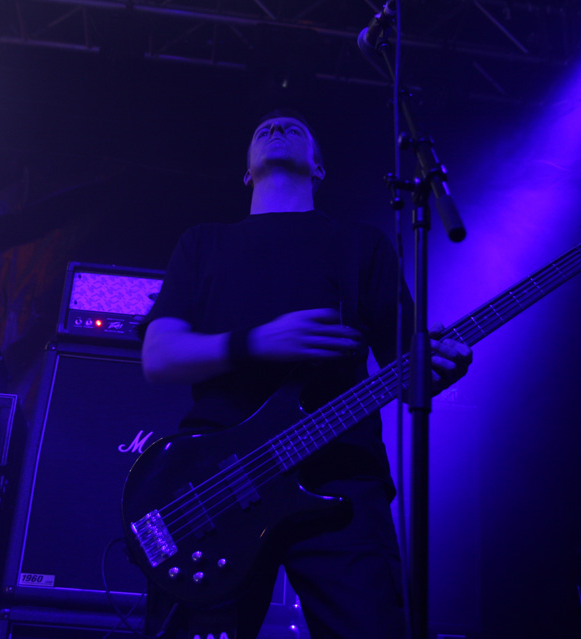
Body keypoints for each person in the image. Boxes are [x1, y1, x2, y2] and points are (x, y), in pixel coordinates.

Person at [139, 109, 472, 639]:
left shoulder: (361, 245)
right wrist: (257, 342)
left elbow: (407, 369)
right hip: (215, 481)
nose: (277, 126)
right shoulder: (203, 242)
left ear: (318, 168)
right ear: (246, 172)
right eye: (263, 128)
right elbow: (158, 357)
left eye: (295, 128)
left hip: (342, 477)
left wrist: (438, 369)